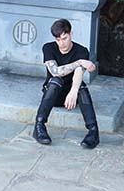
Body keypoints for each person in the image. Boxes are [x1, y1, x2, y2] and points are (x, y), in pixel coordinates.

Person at [32, 18, 99, 148]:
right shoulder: (48, 48)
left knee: (82, 86)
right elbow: (55, 71)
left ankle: (93, 132)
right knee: (56, 80)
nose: (61, 43)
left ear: (71, 35)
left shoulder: (81, 50)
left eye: (64, 38)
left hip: (72, 97)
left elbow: (79, 72)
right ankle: (39, 126)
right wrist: (79, 62)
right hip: (53, 94)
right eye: (58, 40)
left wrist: (74, 91)